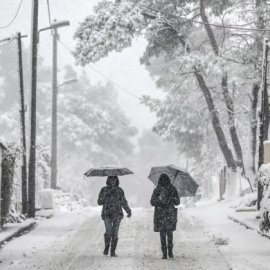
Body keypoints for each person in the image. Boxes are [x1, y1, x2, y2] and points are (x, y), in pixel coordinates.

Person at [97, 176, 132, 257]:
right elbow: (99, 202)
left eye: (114, 179)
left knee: (115, 233)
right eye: (111, 179)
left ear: (117, 180)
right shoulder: (104, 190)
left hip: (117, 214)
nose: (113, 181)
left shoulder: (119, 190)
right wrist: (106, 195)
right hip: (107, 214)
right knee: (108, 231)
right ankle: (107, 247)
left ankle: (113, 251)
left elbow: (123, 202)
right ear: (108, 180)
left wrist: (128, 210)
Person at [150, 173, 180, 259]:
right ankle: (164, 253)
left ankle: (170, 251)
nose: (163, 181)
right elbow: (152, 202)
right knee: (162, 234)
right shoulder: (157, 190)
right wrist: (159, 200)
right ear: (160, 181)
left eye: (165, 180)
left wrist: (170, 198)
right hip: (160, 215)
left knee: (169, 233)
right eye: (162, 180)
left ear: (168, 180)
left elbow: (177, 202)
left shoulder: (172, 189)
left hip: (170, 214)